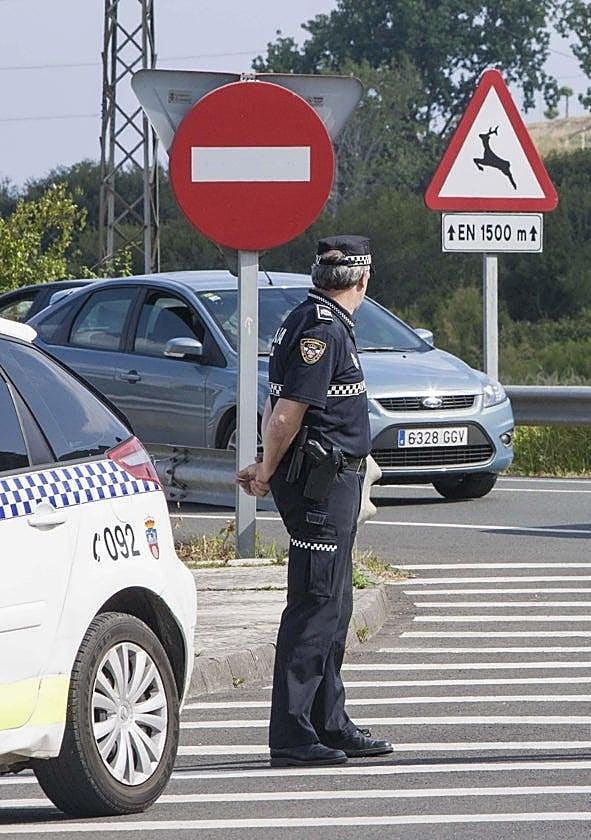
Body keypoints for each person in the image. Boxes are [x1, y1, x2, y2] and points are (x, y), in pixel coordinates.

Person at [237, 235, 393, 768]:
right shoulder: (322, 330)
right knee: (315, 603)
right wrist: (267, 468)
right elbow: (287, 413)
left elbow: (276, 403)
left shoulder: (312, 318)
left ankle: (330, 721)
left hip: (333, 482)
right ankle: (294, 731)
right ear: (364, 280)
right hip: (320, 486)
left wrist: (267, 464)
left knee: (335, 603)